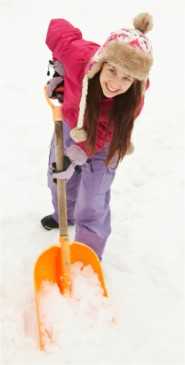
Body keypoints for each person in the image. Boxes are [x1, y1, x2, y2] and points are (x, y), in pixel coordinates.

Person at [41, 13, 154, 260]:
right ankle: (65, 215)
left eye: (127, 77)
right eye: (112, 70)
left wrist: (78, 153)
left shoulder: (134, 96)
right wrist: (60, 66)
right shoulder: (79, 57)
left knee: (92, 202)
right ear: (101, 61)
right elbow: (57, 26)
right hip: (72, 127)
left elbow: (106, 131)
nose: (115, 84)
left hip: (107, 146)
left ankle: (87, 256)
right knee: (58, 180)